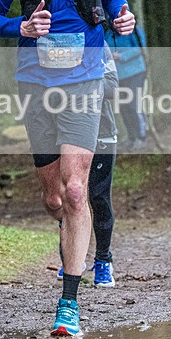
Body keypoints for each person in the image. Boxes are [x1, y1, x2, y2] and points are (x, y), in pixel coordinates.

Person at [0, 0, 134, 336]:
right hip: (36, 82)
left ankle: (69, 302)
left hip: (86, 80)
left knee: (74, 191)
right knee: (53, 199)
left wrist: (123, 18)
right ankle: (72, 234)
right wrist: (21, 29)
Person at [57, 43, 118, 287]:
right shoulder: (53, 44)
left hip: (101, 132)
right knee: (68, 195)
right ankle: (71, 258)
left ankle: (103, 260)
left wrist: (77, 83)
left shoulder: (98, 44)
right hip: (63, 133)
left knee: (98, 197)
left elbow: (112, 87)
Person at [105, 26, 148, 150]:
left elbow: (140, 49)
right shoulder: (108, 33)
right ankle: (132, 137)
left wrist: (121, 56)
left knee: (133, 104)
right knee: (123, 107)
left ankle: (141, 137)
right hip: (117, 76)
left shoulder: (134, 30)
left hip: (135, 72)